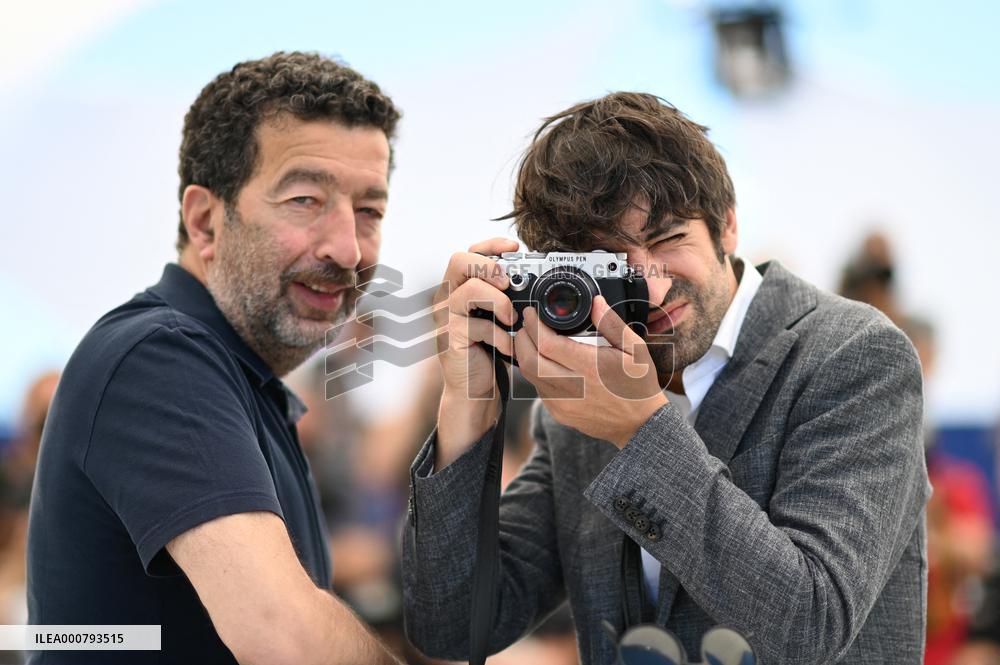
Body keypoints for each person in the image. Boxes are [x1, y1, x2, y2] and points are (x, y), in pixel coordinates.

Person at [402, 92, 930, 664]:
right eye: (611, 263)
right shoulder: (582, 395)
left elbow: (810, 625)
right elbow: (453, 626)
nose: (650, 289)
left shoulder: (853, 356)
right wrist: (468, 403)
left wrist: (639, 428)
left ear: (727, 225)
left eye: (667, 240)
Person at [27, 52, 402, 665]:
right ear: (205, 221)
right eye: (306, 199)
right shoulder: (160, 357)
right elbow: (290, 641)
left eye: (370, 211)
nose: (347, 247)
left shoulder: (242, 381)